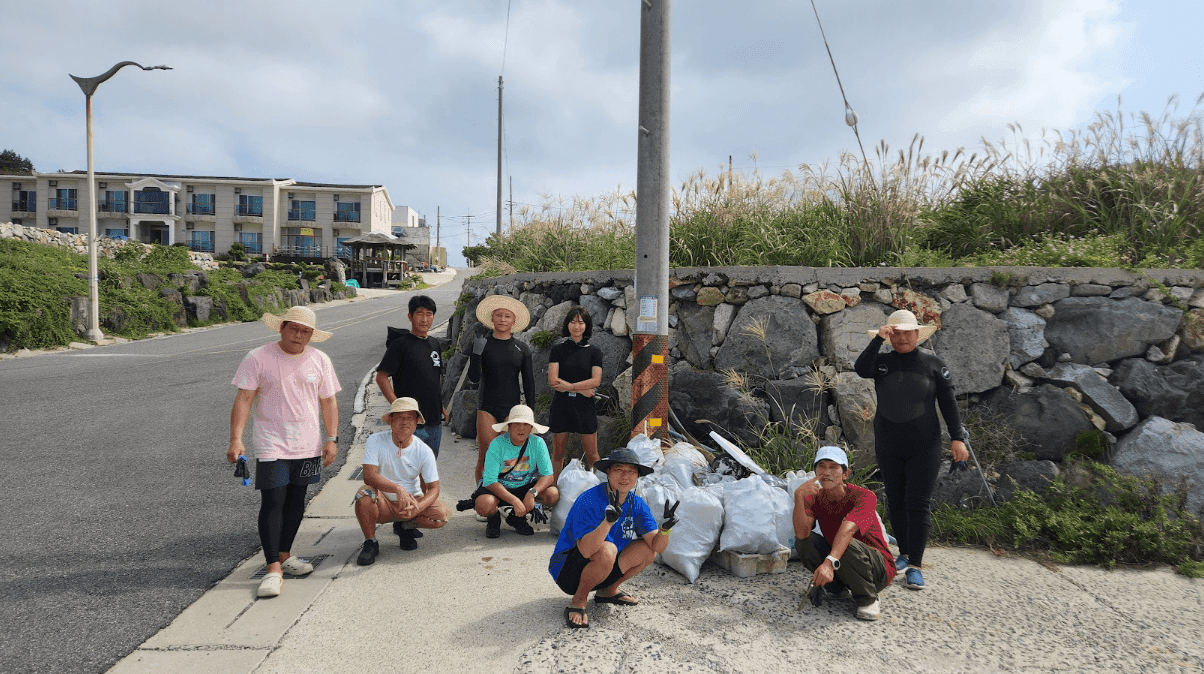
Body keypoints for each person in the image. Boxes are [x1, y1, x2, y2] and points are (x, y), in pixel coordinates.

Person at [228, 306, 341, 598]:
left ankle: (285, 555)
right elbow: (244, 399)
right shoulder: (258, 357)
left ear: (312, 335)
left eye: (305, 332)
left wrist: (332, 438)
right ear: (282, 327)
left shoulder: (320, 360)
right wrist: (236, 439)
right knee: (274, 499)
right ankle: (272, 568)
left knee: (296, 499)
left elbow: (328, 402)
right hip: (272, 444)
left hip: (308, 445)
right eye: (294, 329)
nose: (299, 336)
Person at [854, 309, 969, 591]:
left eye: (908, 332)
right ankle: (903, 554)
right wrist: (876, 342)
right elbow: (860, 369)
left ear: (918, 334)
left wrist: (957, 438)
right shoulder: (880, 363)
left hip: (924, 444)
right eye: (897, 332)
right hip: (888, 442)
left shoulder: (933, 363)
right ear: (890, 334)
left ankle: (915, 565)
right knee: (895, 499)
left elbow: (949, 403)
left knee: (917, 503)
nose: (903, 337)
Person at [549, 449, 679, 629]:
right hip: (567, 571)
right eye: (619, 469)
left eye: (631, 471)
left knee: (648, 551)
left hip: (602, 566)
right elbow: (586, 550)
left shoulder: (637, 503)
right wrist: (608, 522)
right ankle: (578, 600)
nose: (625, 476)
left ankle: (607, 591)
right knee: (607, 549)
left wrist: (664, 530)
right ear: (609, 472)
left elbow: (658, 547)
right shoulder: (590, 499)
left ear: (637, 476)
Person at [794, 446, 895, 621]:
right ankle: (837, 588)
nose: (826, 472)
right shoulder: (815, 497)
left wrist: (828, 563)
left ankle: (868, 598)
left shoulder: (865, 496)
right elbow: (802, 533)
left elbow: (848, 529)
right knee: (804, 542)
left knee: (846, 542)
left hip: (876, 569)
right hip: (842, 560)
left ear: (845, 474)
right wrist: (798, 497)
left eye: (833, 467)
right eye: (821, 466)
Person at [353, 398, 449, 565]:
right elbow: (369, 476)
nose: (405, 422)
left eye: (410, 417)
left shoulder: (424, 450)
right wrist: (397, 489)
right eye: (400, 417)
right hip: (383, 500)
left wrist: (418, 507)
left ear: (417, 422)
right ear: (391, 420)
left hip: (410, 503)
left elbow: (434, 488)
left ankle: (406, 526)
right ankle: (371, 542)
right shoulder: (375, 440)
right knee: (364, 495)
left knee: (441, 516)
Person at [467, 295, 535, 483]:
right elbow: (473, 378)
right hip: (487, 406)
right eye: (499, 315)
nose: (502, 320)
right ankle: (481, 494)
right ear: (491, 318)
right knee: (486, 453)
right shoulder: (482, 344)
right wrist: (476, 353)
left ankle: (503, 495)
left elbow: (529, 382)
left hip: (512, 409)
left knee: (507, 455)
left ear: (514, 320)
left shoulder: (522, 348)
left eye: (507, 316)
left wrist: (531, 412)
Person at [375, 295, 448, 456]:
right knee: (407, 471)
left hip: (434, 422)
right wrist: (398, 407)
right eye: (419, 314)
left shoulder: (435, 344)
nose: (424, 319)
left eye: (429, 314)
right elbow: (381, 377)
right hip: (410, 422)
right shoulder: (400, 345)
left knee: (428, 471)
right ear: (410, 316)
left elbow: (433, 378)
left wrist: (441, 406)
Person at [474, 405, 560, 538]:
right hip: (499, 487)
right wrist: (514, 501)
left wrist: (532, 493)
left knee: (552, 494)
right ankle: (493, 517)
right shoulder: (497, 444)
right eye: (517, 424)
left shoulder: (538, 443)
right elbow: (489, 481)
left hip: (524, 486)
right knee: (484, 504)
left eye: (526, 424)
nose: (521, 428)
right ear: (509, 427)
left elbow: (548, 476)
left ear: (531, 428)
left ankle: (516, 517)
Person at [547, 306, 604, 480]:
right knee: (558, 452)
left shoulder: (594, 352)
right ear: (567, 324)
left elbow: (596, 381)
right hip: (561, 405)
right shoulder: (557, 350)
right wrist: (580, 389)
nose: (576, 326)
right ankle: (552, 489)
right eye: (573, 322)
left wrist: (569, 387)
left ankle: (599, 490)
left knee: (592, 454)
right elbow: (553, 380)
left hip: (584, 406)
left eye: (580, 322)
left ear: (586, 326)